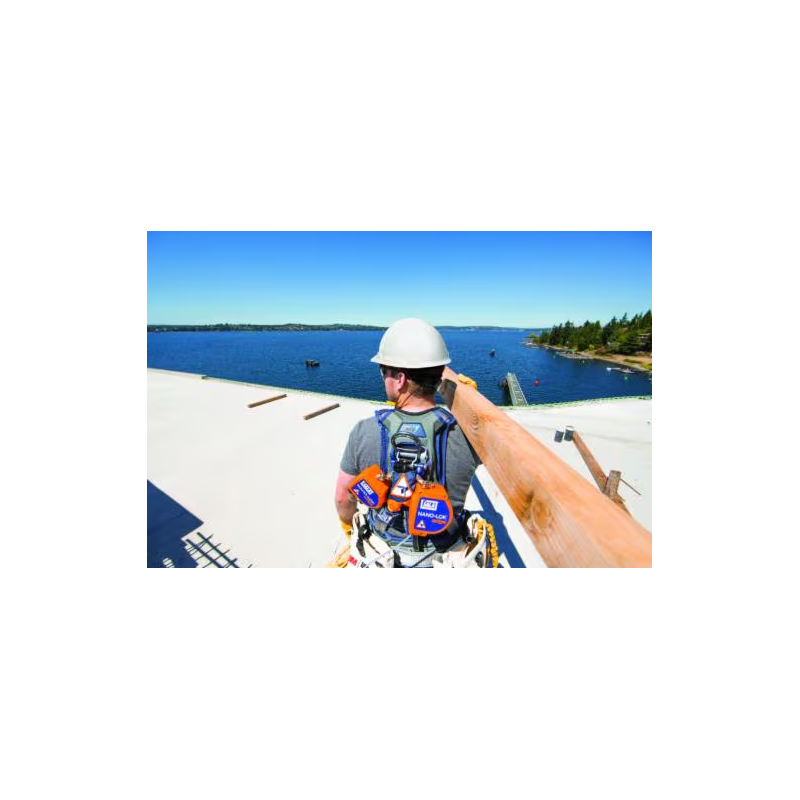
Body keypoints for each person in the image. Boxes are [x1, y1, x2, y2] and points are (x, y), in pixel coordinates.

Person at [334, 318, 481, 566]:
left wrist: (349, 528)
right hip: (446, 558)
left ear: (400, 379)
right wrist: (471, 401)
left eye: (384, 371)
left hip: (380, 556)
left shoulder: (363, 432)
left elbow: (343, 498)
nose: (383, 377)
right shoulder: (468, 436)